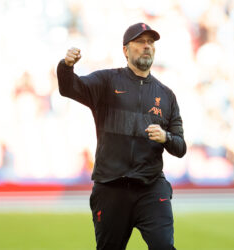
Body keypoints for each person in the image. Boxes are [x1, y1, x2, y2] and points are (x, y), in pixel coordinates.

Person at [57, 22, 186, 250]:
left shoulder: (166, 95)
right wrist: (66, 66)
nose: (147, 46)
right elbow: (69, 87)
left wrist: (165, 137)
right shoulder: (106, 81)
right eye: (140, 42)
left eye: (151, 42)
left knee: (164, 246)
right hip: (111, 187)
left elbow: (180, 146)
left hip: (150, 187)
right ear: (126, 50)